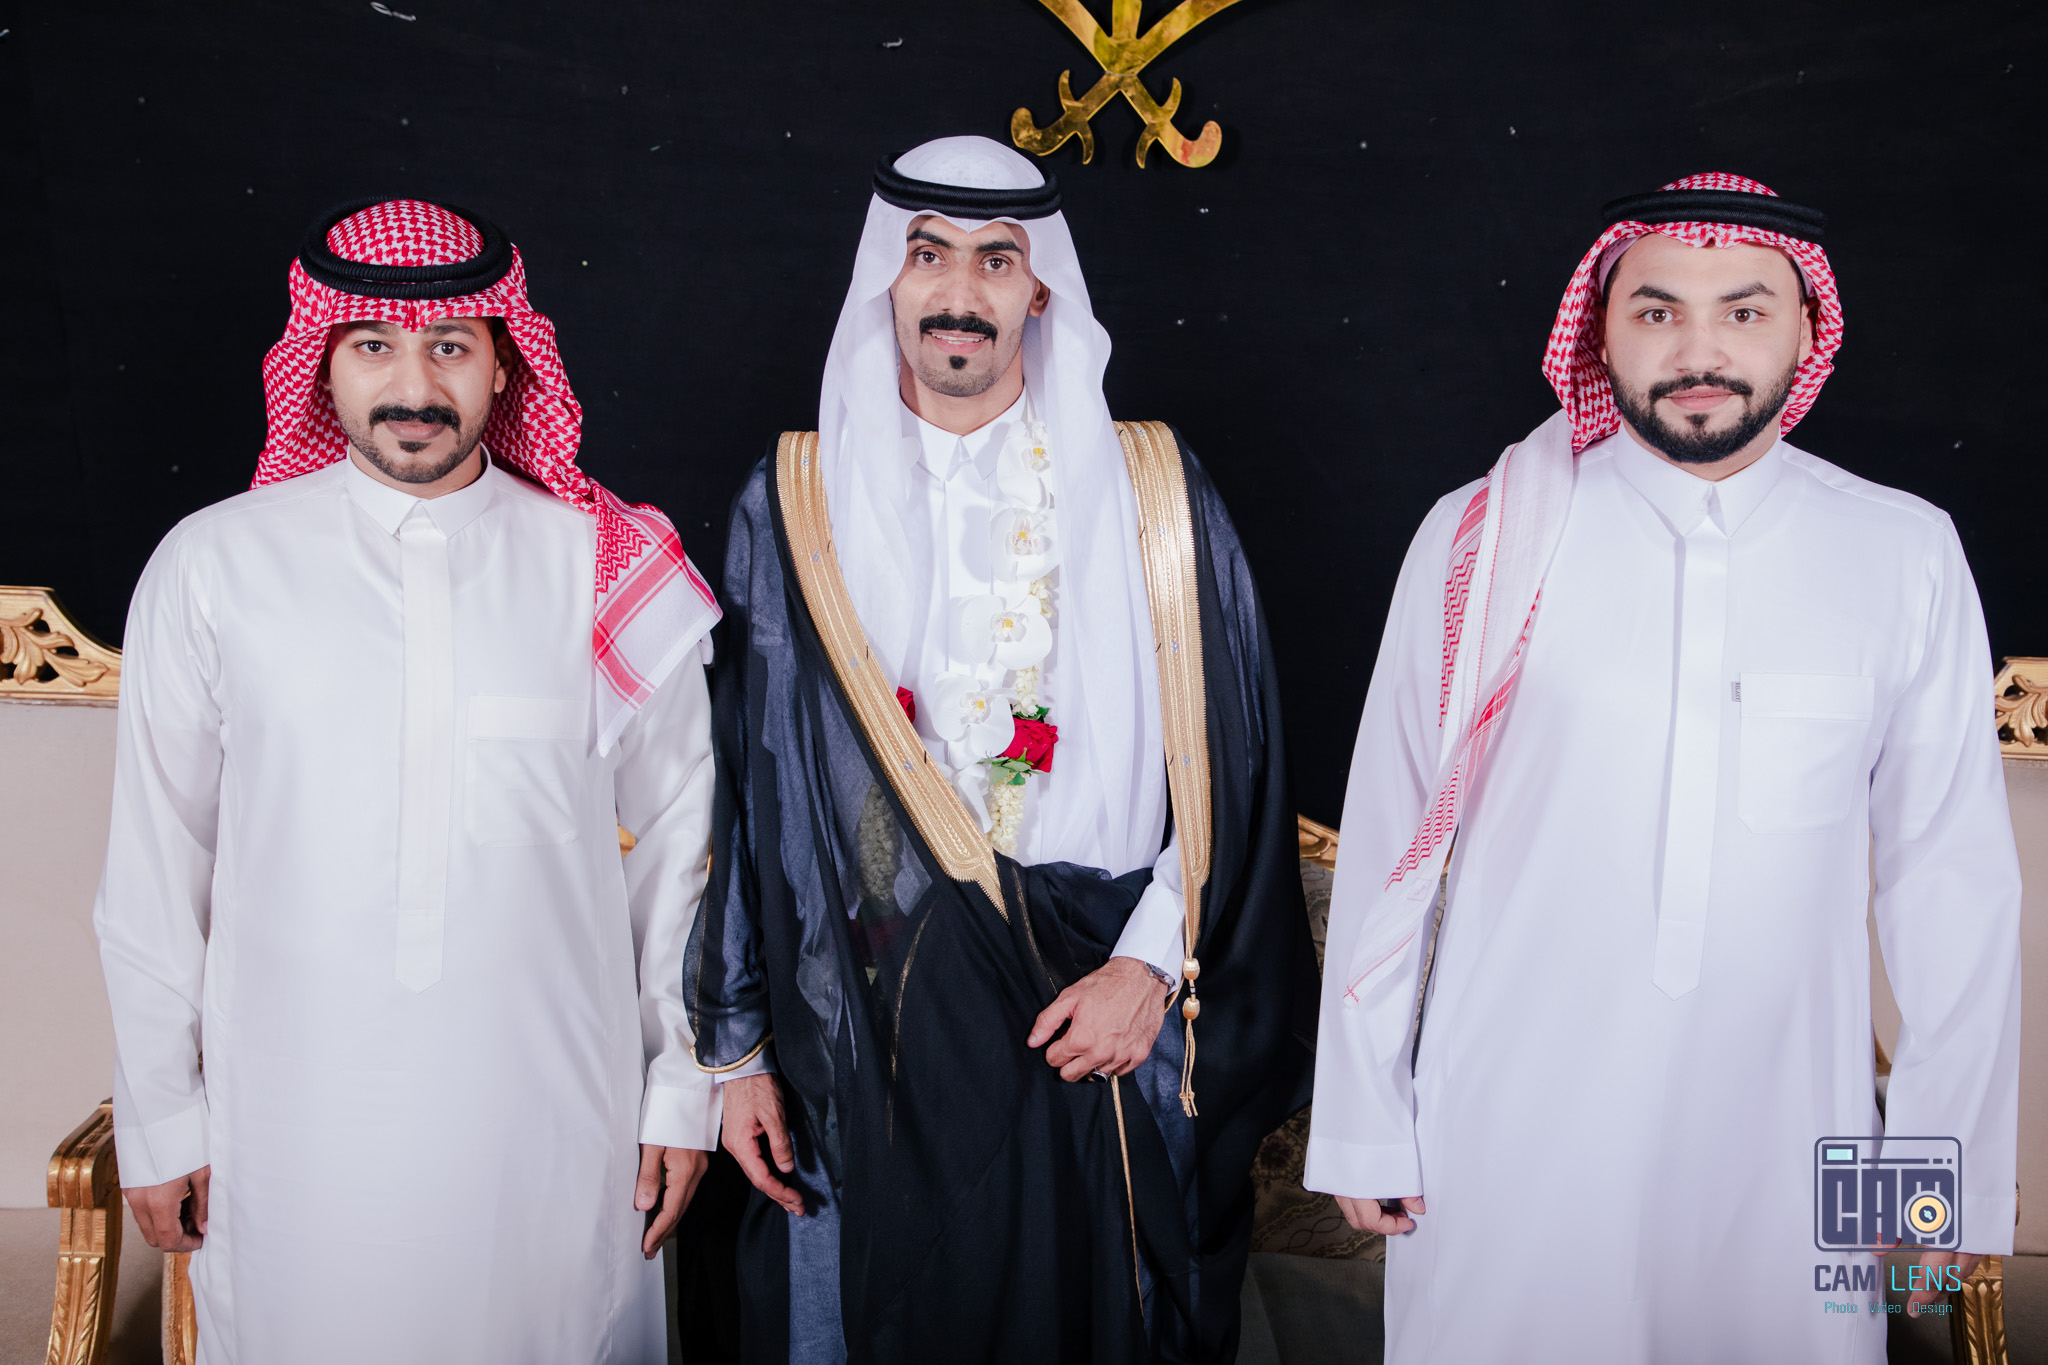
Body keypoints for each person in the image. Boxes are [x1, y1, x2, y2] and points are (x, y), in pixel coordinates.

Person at [1305, 172, 2022, 1363]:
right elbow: (1391, 837)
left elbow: (1950, 890)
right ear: (1599, 330)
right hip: (1506, 1133)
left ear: (1805, 329)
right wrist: (1364, 1119)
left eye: (1742, 311)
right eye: (1655, 311)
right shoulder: (1482, 534)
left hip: (1793, 1140)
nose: (1698, 351)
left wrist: (1923, 1198)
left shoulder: (1901, 551)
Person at [686, 136, 1317, 1364]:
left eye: (996, 259)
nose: (959, 291)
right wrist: (738, 1048)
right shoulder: (798, 498)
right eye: (927, 254)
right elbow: (750, 791)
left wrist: (1151, 969)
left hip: (1096, 1014)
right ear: (886, 276)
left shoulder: (1149, 487)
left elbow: (1233, 761)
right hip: (866, 1018)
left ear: (1040, 291)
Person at [95, 198, 724, 1363]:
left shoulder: (606, 567)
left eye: (449, 347)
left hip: (553, 1127)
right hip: (293, 1131)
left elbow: (688, 848)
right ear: (322, 365)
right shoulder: (214, 566)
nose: (413, 385)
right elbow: (155, 866)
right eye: (373, 347)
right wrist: (161, 1114)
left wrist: (681, 1088)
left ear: (504, 365)